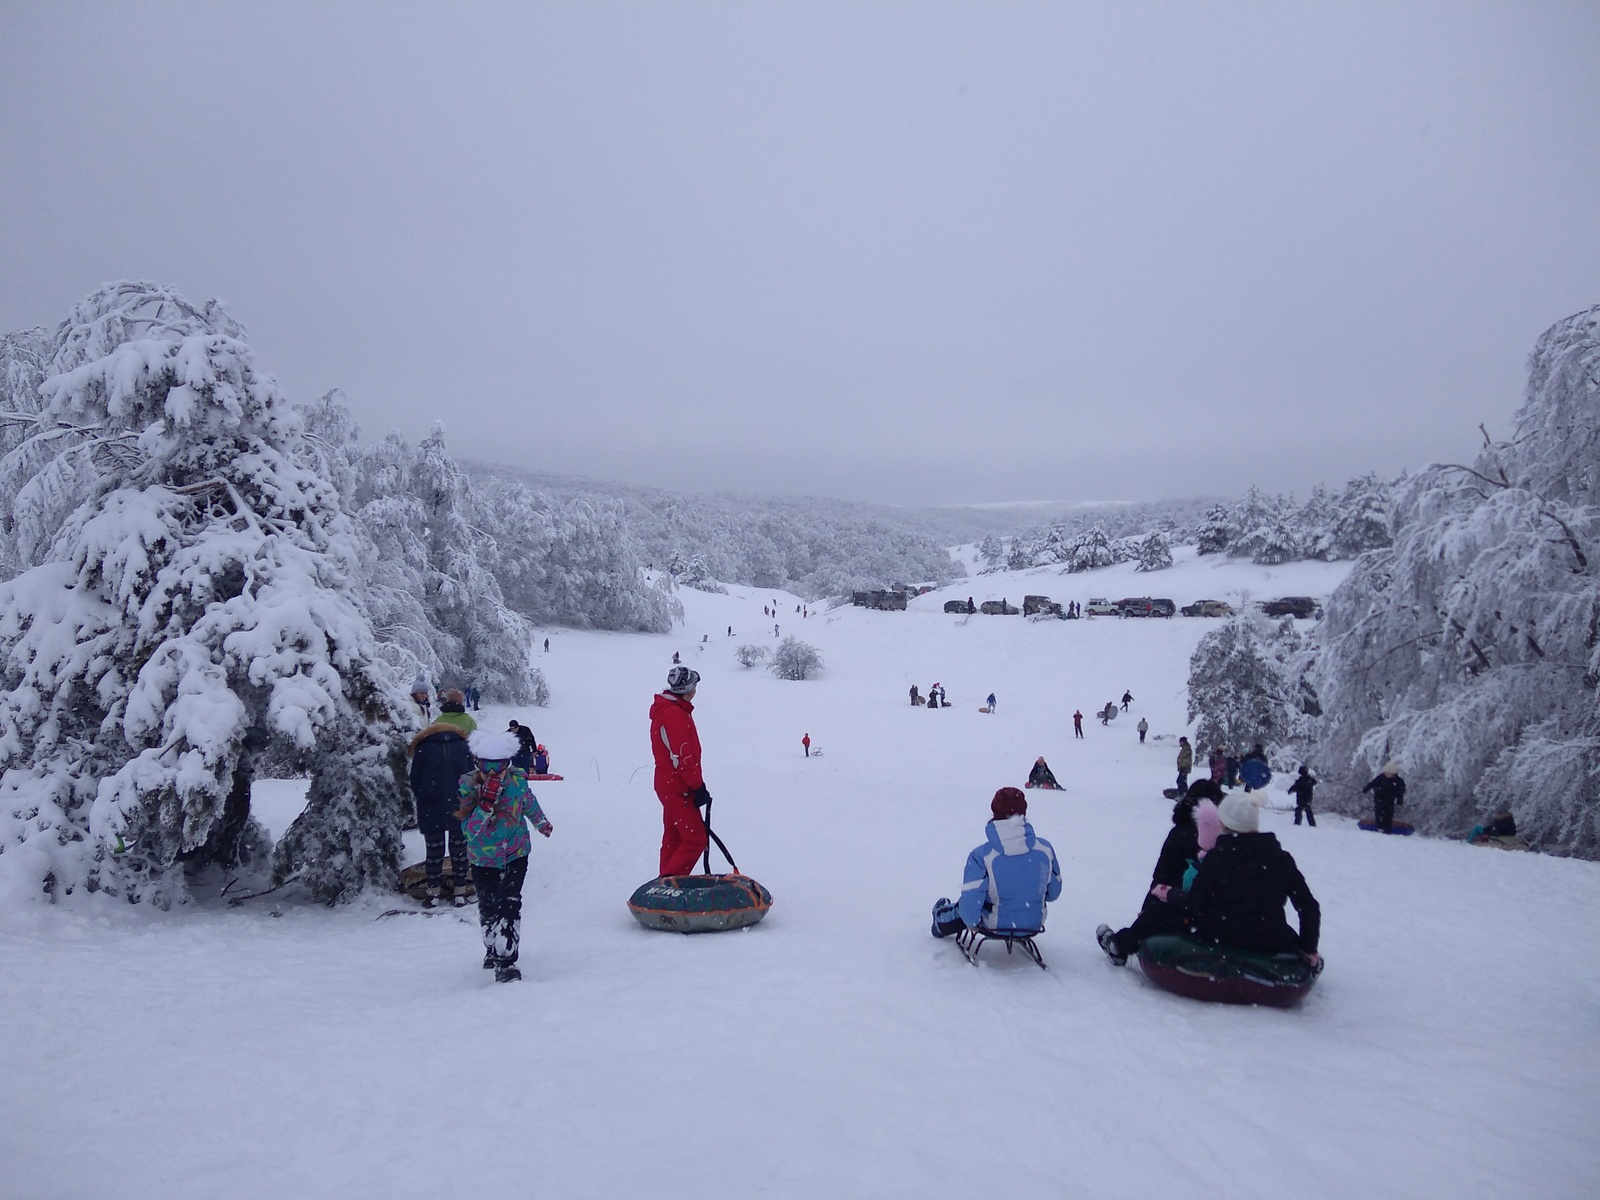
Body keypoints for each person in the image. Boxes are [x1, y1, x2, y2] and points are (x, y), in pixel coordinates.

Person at [1173, 792, 1321, 966]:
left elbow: (1194, 903)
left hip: (1220, 935)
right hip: (1270, 939)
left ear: (1223, 823)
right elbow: (1309, 907)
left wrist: (1171, 895)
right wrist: (1308, 947)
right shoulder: (1281, 859)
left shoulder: (1217, 858)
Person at [454, 729, 552, 983]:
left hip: (515, 852)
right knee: (489, 906)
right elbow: (468, 831)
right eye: (487, 766)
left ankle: (506, 960)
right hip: (483, 858)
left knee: (510, 903)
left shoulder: (517, 781)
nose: (494, 773)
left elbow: (529, 802)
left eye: (500, 766)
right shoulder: (468, 786)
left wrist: (541, 823)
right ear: (477, 763)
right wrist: (484, 806)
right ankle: (491, 947)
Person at [1095, 784, 1223, 965]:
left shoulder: (1182, 834)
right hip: (1216, 916)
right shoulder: (1227, 839)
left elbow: (1162, 876)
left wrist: (1147, 912)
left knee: (1159, 914)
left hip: (1182, 908)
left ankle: (1120, 947)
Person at [930, 787, 1062, 938]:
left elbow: (969, 911)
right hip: (1034, 922)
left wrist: (971, 920)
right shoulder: (1045, 849)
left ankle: (940, 920)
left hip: (994, 925)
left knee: (965, 908)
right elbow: (1053, 893)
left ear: (994, 813)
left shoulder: (981, 856)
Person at [650, 665, 711, 877]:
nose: (695, 692)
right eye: (694, 687)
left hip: (670, 784)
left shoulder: (671, 710)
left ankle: (665, 883)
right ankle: (669, 883)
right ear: (688, 690)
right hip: (677, 787)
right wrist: (697, 786)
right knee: (696, 839)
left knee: (675, 837)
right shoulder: (674, 715)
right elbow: (683, 757)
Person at [407, 714, 475, 902]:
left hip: (431, 804)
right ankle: (460, 891)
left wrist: (425, 794)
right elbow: (472, 777)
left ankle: (433, 892)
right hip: (460, 805)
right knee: (459, 850)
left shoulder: (423, 748)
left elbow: (414, 780)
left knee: (434, 851)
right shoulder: (463, 746)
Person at [1361, 763, 1407, 833]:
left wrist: (1399, 802)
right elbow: (1372, 784)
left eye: (1387, 772)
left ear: (1392, 773)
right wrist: (1365, 790)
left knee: (1388, 815)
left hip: (1390, 800)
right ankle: (1379, 827)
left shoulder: (1399, 782)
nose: (1385, 773)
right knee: (1379, 813)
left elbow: (1400, 793)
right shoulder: (1381, 778)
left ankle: (1387, 830)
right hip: (1379, 798)